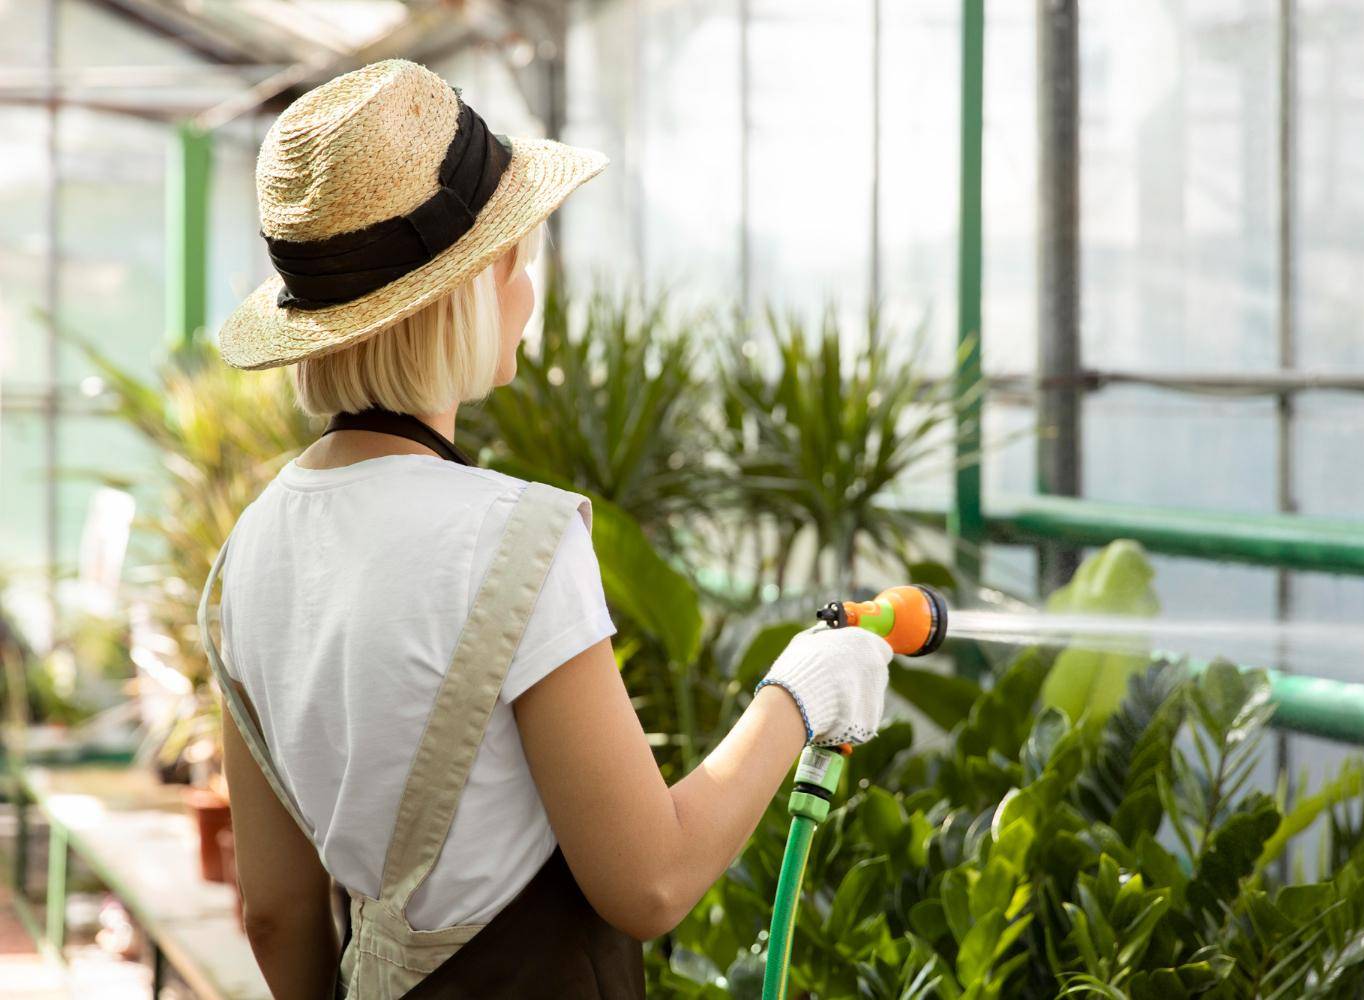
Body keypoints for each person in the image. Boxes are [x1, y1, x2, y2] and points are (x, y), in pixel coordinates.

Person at [199, 59, 894, 999]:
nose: (529, 288)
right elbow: (648, 880)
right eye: (518, 257)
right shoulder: (514, 539)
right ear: (472, 287)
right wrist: (798, 695)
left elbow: (276, 913)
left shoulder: (251, 552)